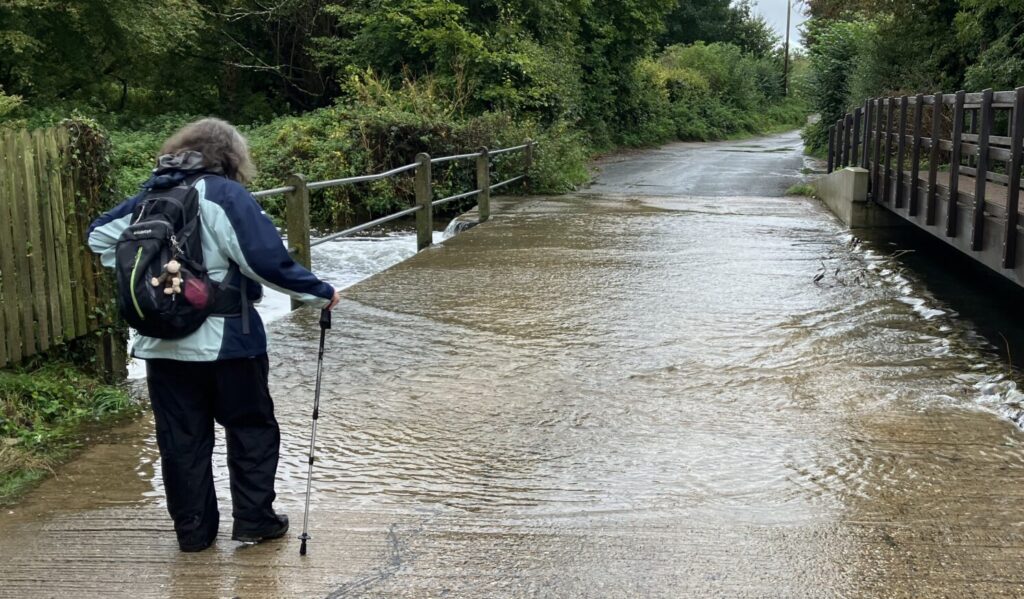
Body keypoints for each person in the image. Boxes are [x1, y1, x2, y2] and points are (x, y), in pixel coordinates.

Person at [87, 118, 340, 552]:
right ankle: (254, 521)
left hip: (162, 346)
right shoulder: (225, 194)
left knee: (181, 441)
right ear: (231, 157)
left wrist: (166, 277)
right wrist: (320, 294)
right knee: (251, 429)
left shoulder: (152, 196)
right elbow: (264, 260)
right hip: (229, 342)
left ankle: (193, 533)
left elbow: (99, 238)